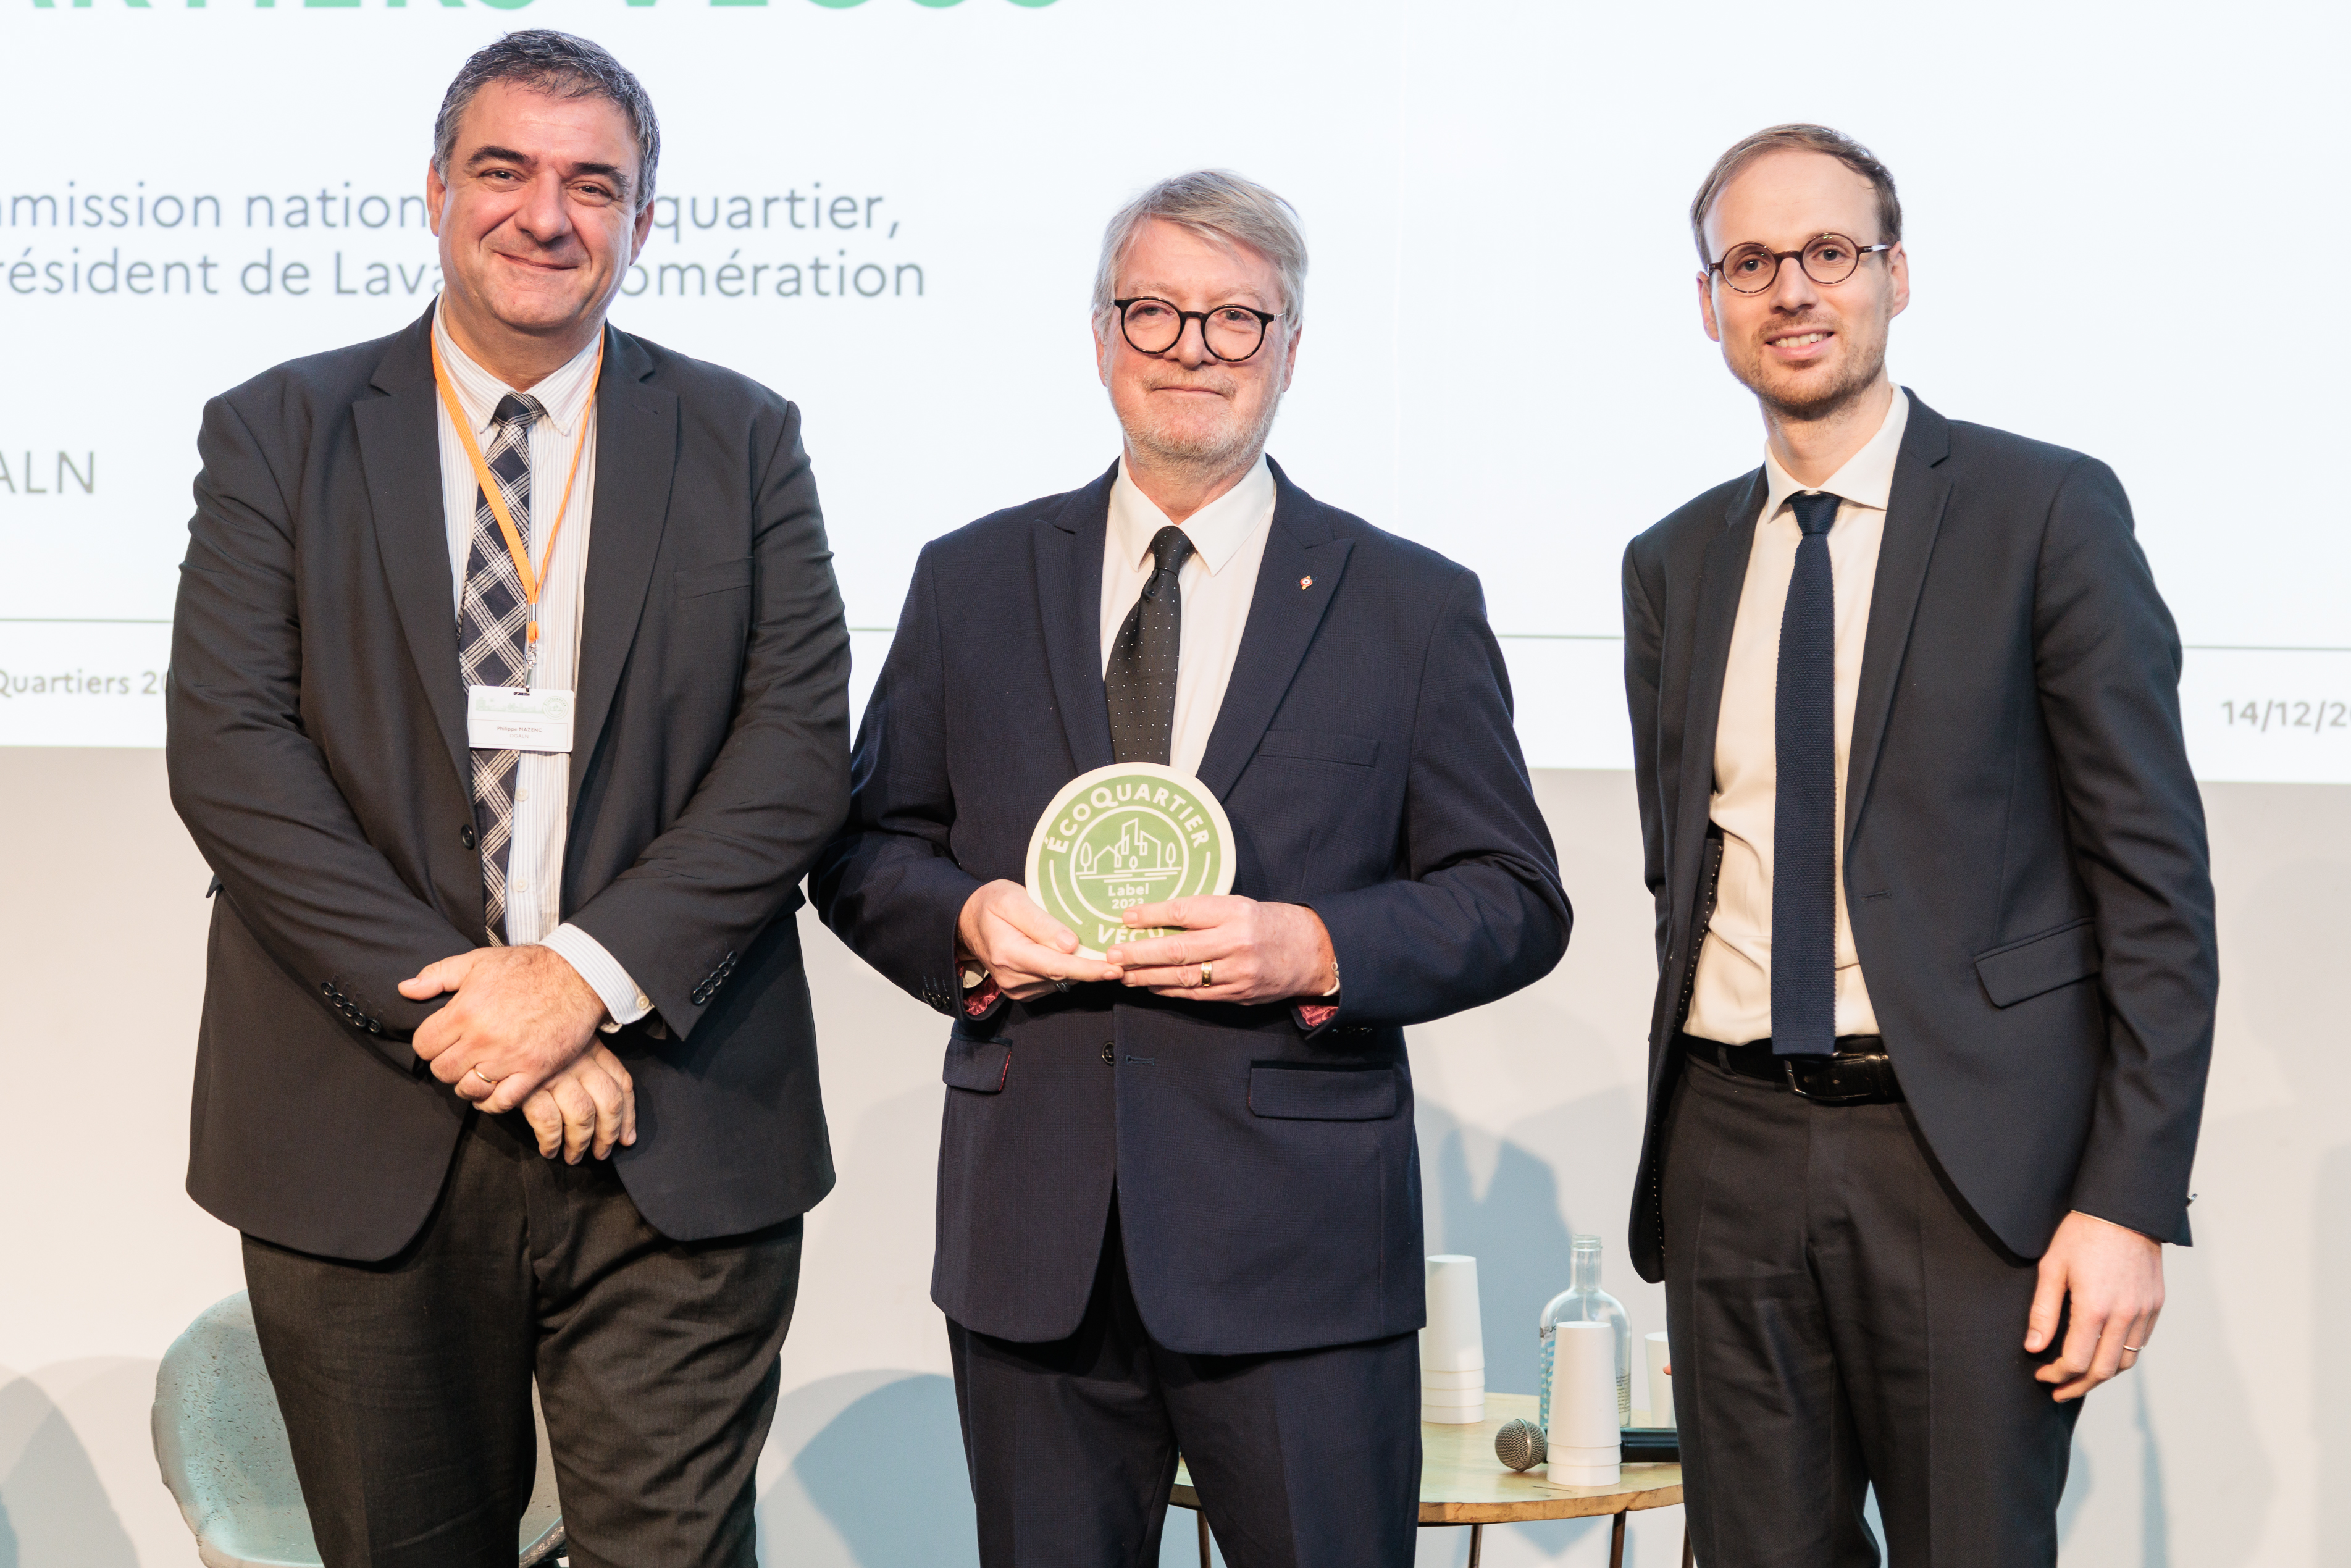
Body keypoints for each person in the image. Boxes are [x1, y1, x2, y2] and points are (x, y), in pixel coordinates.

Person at [813, 170, 1569, 1568]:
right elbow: (864, 851)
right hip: (1031, 1250)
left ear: (1289, 348)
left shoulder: (1407, 603)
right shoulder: (969, 578)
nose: (1190, 349)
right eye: (1154, 312)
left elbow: (1512, 897)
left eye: (1234, 319)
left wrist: (1316, 949)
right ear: (1100, 336)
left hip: (1297, 1256)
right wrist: (968, 918)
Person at [166, 30, 849, 1567]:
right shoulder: (278, 431)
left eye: (593, 183)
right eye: (506, 171)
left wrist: (581, 986)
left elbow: (795, 752)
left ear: (643, 224)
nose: (548, 214)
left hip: (673, 1124)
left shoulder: (745, 442)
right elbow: (232, 754)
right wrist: (484, 1023)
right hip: (363, 1131)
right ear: (433, 194)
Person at [1620, 124, 2216, 1565]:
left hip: (1960, 1165)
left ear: (1894, 276)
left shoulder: (2043, 513)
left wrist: (2123, 1201)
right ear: (1707, 304)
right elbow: (1679, 871)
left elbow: (2151, 891)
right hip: (1729, 1146)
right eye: (1749, 263)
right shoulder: (1672, 560)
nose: (1791, 290)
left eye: (1828, 253)